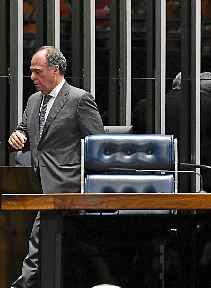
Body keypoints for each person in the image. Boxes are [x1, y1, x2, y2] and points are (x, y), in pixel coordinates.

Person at [8, 46, 104, 288]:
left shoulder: (79, 99)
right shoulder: (33, 100)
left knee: (39, 243)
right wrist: (17, 136)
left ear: (55, 70)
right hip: (37, 185)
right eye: (31, 72)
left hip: (66, 185)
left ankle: (23, 285)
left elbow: (98, 145)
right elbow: (27, 132)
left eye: (37, 72)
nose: (32, 78)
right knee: (74, 251)